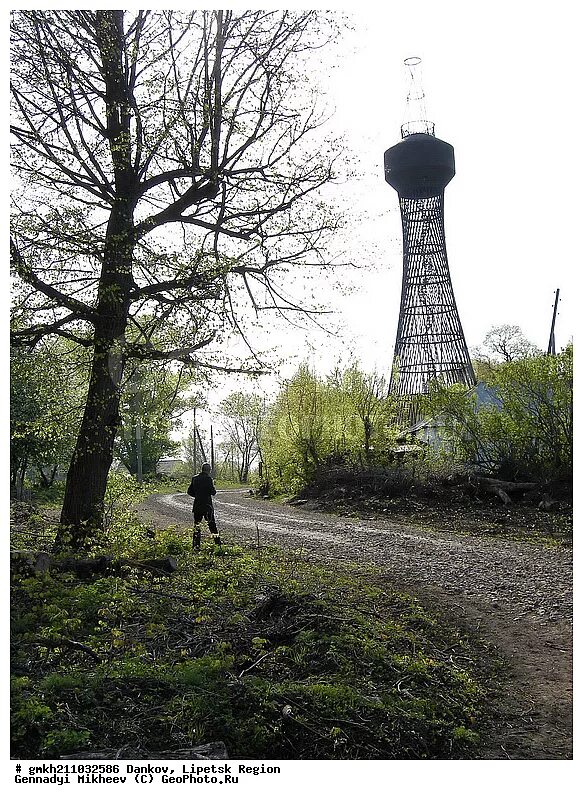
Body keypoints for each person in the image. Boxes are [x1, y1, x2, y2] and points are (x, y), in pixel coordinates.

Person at [187, 463, 221, 547]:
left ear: (202, 469)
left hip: (197, 505)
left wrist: (198, 496)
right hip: (207, 506)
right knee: (212, 524)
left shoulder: (194, 478)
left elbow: (189, 491)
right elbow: (213, 492)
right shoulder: (208, 479)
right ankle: (217, 543)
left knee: (197, 525)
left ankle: (196, 545)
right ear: (208, 470)